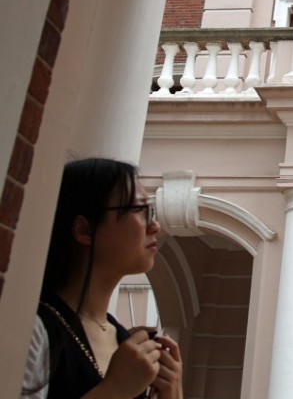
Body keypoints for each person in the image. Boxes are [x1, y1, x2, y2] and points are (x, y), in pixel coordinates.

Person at [22, 158, 183, 398]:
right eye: (140, 210)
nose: (155, 226)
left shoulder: (124, 341)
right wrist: (114, 390)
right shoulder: (34, 331)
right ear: (84, 229)